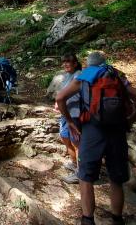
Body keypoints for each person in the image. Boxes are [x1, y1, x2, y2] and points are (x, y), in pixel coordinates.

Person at [56, 51, 136, 225]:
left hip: (92, 131)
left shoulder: (85, 76)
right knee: (116, 180)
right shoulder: (117, 76)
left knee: (86, 178)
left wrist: (70, 122)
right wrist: (129, 121)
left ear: (89, 63)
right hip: (117, 132)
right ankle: (117, 219)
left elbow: (60, 97)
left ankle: (88, 220)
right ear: (104, 63)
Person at [55, 53, 82, 184]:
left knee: (77, 143)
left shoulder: (78, 75)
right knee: (64, 136)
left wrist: (61, 100)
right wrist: (58, 103)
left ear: (75, 64)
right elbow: (62, 92)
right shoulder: (67, 76)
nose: (65, 64)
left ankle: (80, 173)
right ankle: (74, 164)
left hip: (75, 114)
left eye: (68, 62)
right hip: (65, 113)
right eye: (64, 62)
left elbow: (73, 95)